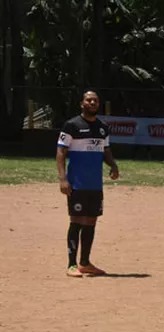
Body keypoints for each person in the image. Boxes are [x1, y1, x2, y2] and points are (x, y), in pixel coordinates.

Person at [57, 89, 120, 278]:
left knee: (91, 221)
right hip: (77, 183)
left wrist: (113, 165)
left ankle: (85, 263)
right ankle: (71, 264)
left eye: (95, 101)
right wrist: (63, 179)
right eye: (89, 100)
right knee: (76, 220)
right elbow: (61, 153)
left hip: (95, 185)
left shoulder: (102, 127)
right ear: (82, 103)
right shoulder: (71, 125)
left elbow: (105, 149)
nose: (92, 103)